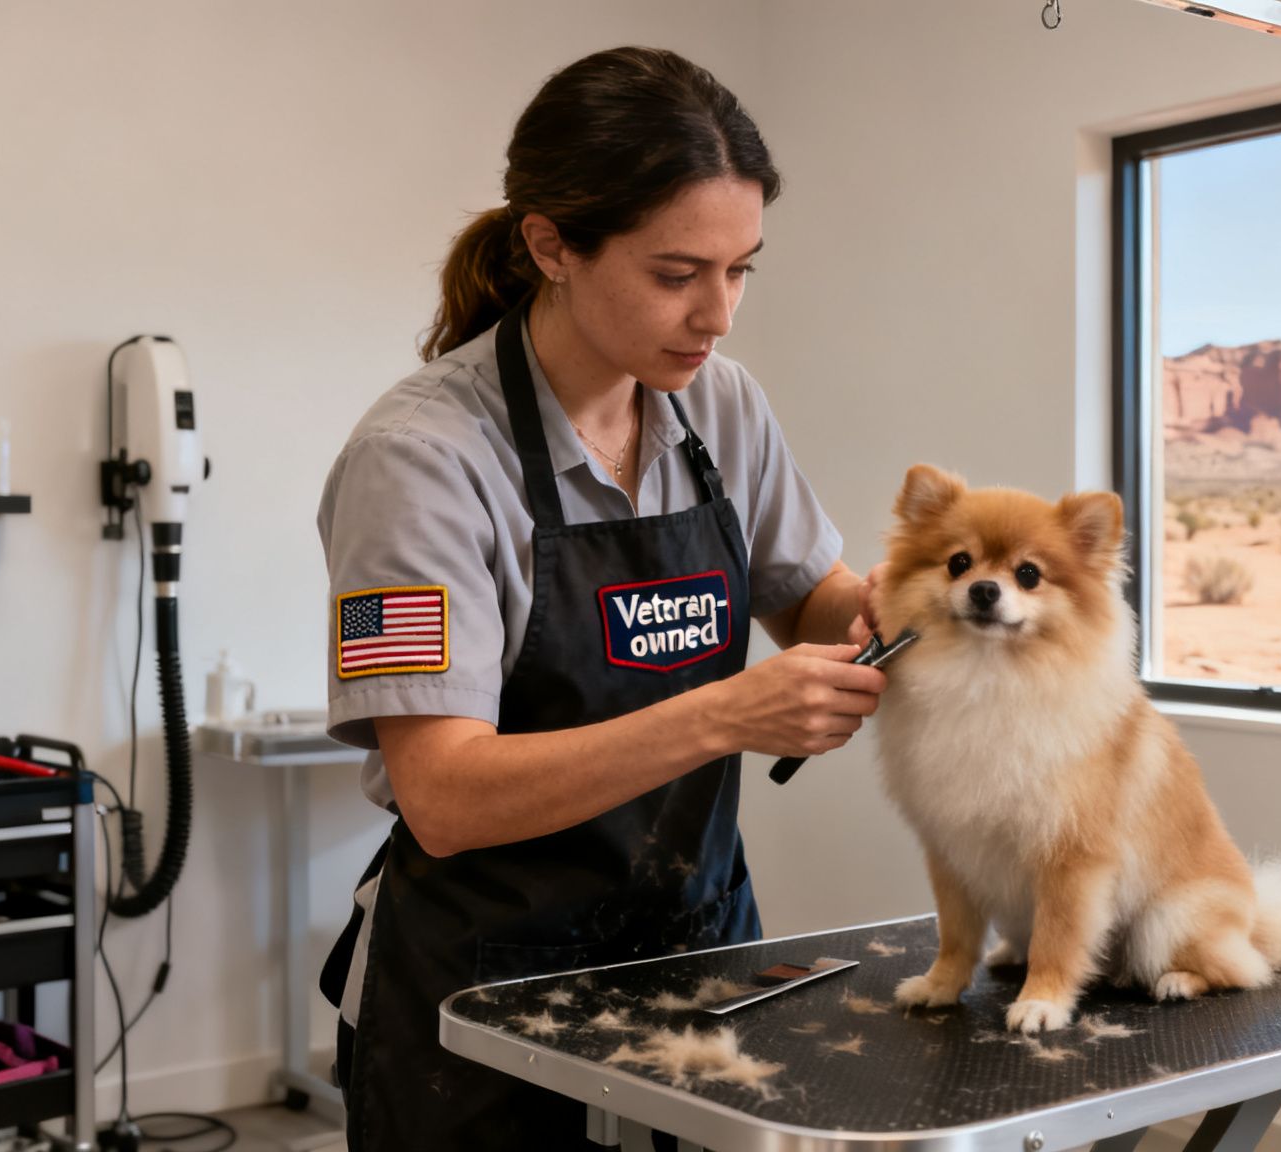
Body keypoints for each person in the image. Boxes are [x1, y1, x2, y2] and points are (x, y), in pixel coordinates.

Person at [315, 46, 885, 1150]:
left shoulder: (718, 406)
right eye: (677, 274)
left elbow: (811, 596)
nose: (717, 316)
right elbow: (445, 794)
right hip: (484, 1004)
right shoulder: (421, 459)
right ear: (550, 246)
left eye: (740, 271)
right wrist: (727, 713)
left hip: (698, 962)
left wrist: (940, 591)